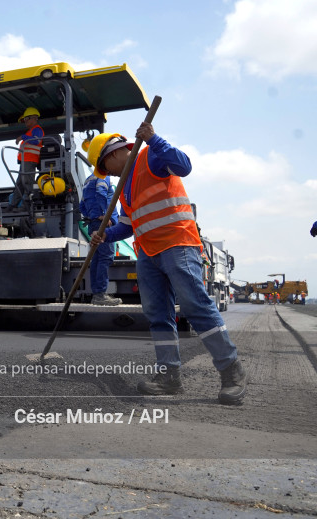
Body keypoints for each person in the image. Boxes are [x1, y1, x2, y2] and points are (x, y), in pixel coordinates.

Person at [88, 123, 247, 405]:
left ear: (112, 154)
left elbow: (184, 166)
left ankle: (231, 371)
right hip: (148, 253)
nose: (107, 174)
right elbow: (128, 225)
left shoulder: (150, 155)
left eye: (105, 167)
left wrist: (154, 139)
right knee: (158, 315)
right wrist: (105, 236)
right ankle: (168, 377)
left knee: (195, 306)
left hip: (177, 244)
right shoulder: (124, 188)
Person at [79, 167, 122, 306]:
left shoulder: (88, 180)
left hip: (94, 222)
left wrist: (92, 216)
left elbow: (82, 205)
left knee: (97, 258)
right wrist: (104, 214)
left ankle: (97, 294)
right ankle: (100, 294)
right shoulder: (103, 177)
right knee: (106, 257)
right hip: (103, 224)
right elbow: (101, 191)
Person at [9, 107, 44, 208]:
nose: (25, 121)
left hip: (30, 160)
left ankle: (32, 200)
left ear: (34, 118)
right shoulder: (31, 131)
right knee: (20, 183)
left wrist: (22, 137)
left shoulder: (37, 130)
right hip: (25, 161)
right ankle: (13, 205)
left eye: (26, 119)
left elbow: (36, 141)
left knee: (28, 181)